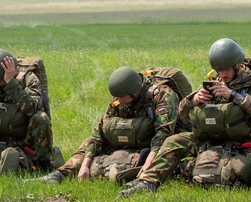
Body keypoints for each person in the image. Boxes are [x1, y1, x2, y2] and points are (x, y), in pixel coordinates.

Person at [119, 38, 251, 197]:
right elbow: (183, 113)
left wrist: (233, 96)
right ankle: (147, 182)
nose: (222, 75)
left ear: (237, 65)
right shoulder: (215, 82)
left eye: (225, 70)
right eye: (218, 70)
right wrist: (194, 100)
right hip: (213, 137)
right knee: (174, 141)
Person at [34, 67, 181, 184]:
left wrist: (148, 165)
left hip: (154, 144)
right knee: (88, 144)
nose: (118, 100)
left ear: (134, 92)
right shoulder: (119, 99)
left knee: (168, 144)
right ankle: (60, 174)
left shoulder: (162, 96)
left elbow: (163, 133)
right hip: (128, 140)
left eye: (122, 97)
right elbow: (99, 132)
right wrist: (85, 164)